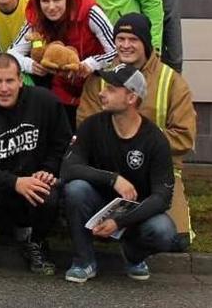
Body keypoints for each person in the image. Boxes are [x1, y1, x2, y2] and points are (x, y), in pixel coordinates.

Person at [61, 63, 184, 283]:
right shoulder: (92, 126)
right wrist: (112, 179)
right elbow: (69, 169)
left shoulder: (155, 139)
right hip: (96, 204)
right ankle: (84, 261)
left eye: (110, 89)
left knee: (163, 230)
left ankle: (133, 255)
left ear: (131, 98)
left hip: (134, 215)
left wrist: (120, 222)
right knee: (75, 189)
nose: (101, 92)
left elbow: (162, 197)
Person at [77, 13, 196, 239]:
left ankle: (132, 245)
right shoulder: (98, 79)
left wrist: (144, 143)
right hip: (108, 171)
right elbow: (84, 127)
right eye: (120, 39)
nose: (125, 45)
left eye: (133, 40)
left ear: (146, 42)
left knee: (172, 239)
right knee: (77, 194)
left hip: (156, 174)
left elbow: (185, 137)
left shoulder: (172, 82)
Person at [0, 53, 71, 273]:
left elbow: (62, 143)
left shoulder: (44, 101)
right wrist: (14, 182)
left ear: (21, 80)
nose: (4, 88)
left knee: (48, 196)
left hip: (33, 179)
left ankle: (35, 241)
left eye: (9, 80)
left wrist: (48, 169)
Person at [9, 0, 116, 123]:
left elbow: (115, 50)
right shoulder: (36, 18)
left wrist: (89, 65)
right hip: (60, 88)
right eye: (45, 1)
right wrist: (31, 66)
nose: (51, 7)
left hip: (95, 86)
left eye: (57, 0)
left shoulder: (91, 13)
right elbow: (12, 54)